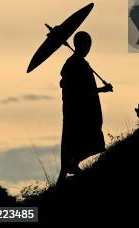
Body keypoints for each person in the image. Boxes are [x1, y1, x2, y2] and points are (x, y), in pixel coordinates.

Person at [57, 31, 113, 183]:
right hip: (79, 111)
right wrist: (103, 89)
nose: (88, 49)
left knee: (73, 140)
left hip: (79, 109)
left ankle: (67, 170)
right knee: (80, 139)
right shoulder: (75, 63)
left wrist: (101, 89)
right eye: (87, 45)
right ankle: (70, 166)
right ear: (82, 45)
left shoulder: (78, 63)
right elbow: (81, 89)